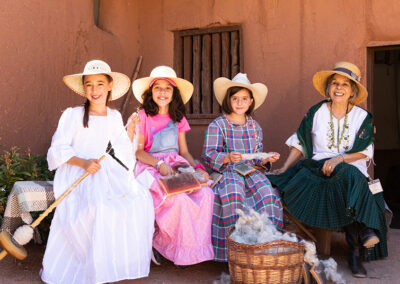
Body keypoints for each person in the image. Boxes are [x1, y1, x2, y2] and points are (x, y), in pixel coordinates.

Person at [268, 62, 387, 278]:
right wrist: (284, 167)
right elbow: (301, 142)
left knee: (349, 177)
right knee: (303, 178)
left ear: (352, 91)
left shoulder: (362, 118)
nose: (339, 88)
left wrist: (340, 158)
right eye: (335, 83)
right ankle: (364, 233)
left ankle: (354, 252)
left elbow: (365, 152)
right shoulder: (316, 112)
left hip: (350, 169)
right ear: (328, 88)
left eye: (345, 84)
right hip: (317, 169)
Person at [41, 60, 155, 284]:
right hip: (76, 170)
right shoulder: (72, 115)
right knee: (98, 204)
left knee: (139, 199)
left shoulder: (114, 117)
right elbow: (57, 150)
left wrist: (130, 132)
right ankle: (90, 266)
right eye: (90, 84)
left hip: (105, 169)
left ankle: (116, 266)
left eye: (100, 84)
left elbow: (121, 154)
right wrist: (83, 163)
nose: (95, 90)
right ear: (84, 88)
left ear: (110, 85)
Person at [132, 66, 214, 266]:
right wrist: (159, 164)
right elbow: (138, 151)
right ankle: (160, 242)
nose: (162, 92)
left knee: (205, 195)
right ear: (150, 92)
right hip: (150, 165)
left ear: (174, 93)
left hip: (176, 165)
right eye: (157, 88)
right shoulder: (143, 116)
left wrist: (198, 170)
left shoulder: (179, 119)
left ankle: (192, 250)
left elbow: (184, 152)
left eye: (167, 88)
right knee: (178, 199)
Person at [201, 73, 283, 262]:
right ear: (228, 100)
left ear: (251, 101)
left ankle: (264, 249)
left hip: (251, 172)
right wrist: (227, 157)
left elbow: (256, 156)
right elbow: (208, 153)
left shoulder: (255, 127)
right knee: (233, 195)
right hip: (228, 172)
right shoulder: (218, 125)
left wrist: (265, 159)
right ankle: (234, 253)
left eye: (244, 99)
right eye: (235, 98)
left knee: (267, 195)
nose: (239, 103)